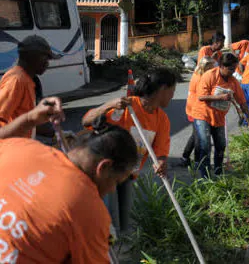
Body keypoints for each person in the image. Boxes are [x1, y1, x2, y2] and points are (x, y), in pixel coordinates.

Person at [0, 100, 138, 263]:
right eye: (116, 181)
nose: (113, 189)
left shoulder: (22, 149)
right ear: (104, 167)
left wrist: (29, 118)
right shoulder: (89, 211)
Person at [82, 68, 176, 235]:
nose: (172, 96)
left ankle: (121, 250)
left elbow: (160, 150)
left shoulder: (162, 119)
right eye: (172, 91)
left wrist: (161, 161)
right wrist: (109, 104)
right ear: (162, 89)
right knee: (108, 220)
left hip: (128, 173)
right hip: (106, 172)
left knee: (125, 222)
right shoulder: (126, 106)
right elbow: (86, 121)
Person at [192, 53, 249, 178]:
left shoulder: (233, 82)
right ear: (222, 66)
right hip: (203, 114)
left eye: (234, 68)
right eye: (231, 69)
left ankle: (218, 171)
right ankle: (205, 175)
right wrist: (220, 97)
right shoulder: (209, 76)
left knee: (221, 145)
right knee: (205, 145)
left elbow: (242, 101)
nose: (233, 71)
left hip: (219, 117)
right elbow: (201, 96)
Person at [0, 35, 60, 138]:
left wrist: (55, 134)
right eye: (46, 58)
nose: (47, 63)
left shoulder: (28, 80)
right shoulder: (16, 80)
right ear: (33, 57)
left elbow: (26, 119)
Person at [181, 56, 216, 167]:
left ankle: (185, 157)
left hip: (192, 107)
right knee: (199, 136)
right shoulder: (201, 78)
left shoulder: (197, 74)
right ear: (206, 67)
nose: (213, 68)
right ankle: (197, 161)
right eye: (211, 66)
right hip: (196, 109)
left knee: (195, 134)